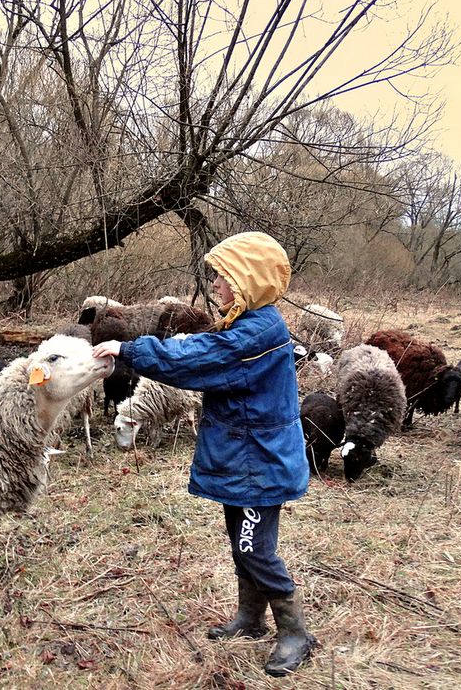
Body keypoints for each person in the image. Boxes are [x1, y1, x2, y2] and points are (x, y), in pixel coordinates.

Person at [92, 231, 316, 677]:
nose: (214, 284)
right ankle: (250, 620)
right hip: (246, 455)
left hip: (259, 461)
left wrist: (130, 348)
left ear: (247, 280)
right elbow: (199, 351)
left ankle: (296, 633)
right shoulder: (248, 323)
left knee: (254, 547)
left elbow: (197, 358)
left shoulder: (255, 333)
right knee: (242, 542)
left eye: (223, 276)